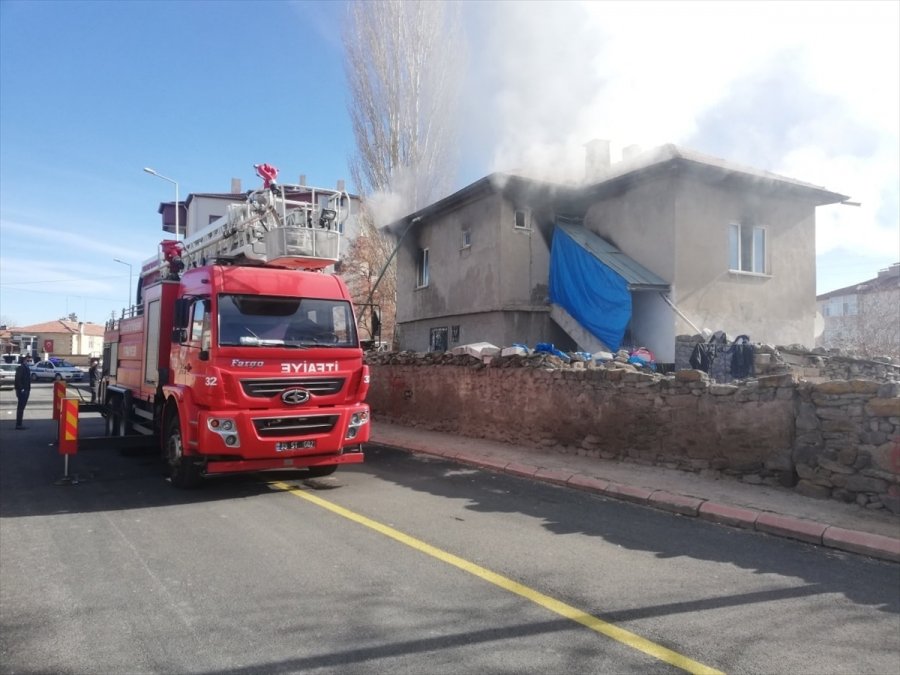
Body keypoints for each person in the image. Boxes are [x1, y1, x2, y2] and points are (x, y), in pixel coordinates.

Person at [14, 355, 32, 430]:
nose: (29, 362)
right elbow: (18, 379)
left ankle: (19, 423)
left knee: (22, 407)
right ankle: (18, 424)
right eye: (28, 360)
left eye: (30, 360)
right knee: (20, 408)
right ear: (24, 360)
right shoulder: (21, 368)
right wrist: (21, 389)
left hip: (26, 389)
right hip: (23, 390)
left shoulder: (27, 368)